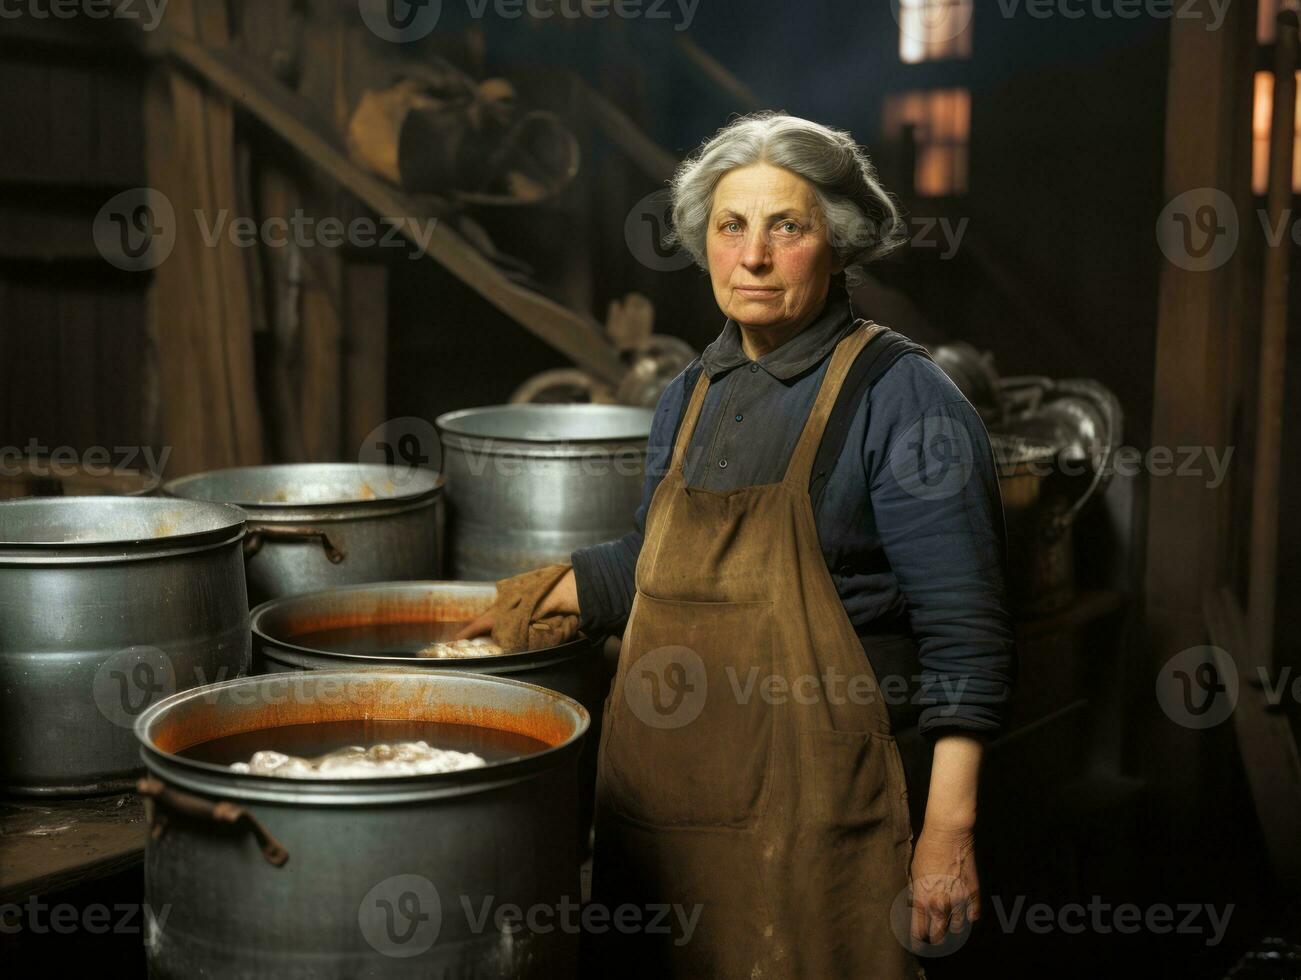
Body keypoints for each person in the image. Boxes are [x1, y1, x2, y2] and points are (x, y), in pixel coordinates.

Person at [458, 110, 1016, 978]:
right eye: (731, 226)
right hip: (666, 813)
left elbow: (966, 638)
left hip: (818, 815)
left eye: (785, 227)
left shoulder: (902, 397)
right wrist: (514, 606)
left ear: (839, 240)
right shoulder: (691, 393)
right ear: (703, 242)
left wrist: (946, 836)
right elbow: (660, 565)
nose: (752, 256)